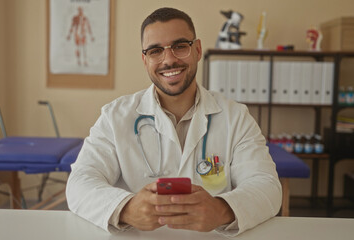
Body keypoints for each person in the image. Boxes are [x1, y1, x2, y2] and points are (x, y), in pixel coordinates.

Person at [66, 7, 281, 236]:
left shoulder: (235, 117)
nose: (169, 60)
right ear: (145, 59)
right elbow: (80, 183)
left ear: (197, 50)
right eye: (155, 50)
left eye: (180, 46)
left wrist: (222, 209)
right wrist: (127, 208)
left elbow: (267, 186)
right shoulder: (114, 117)